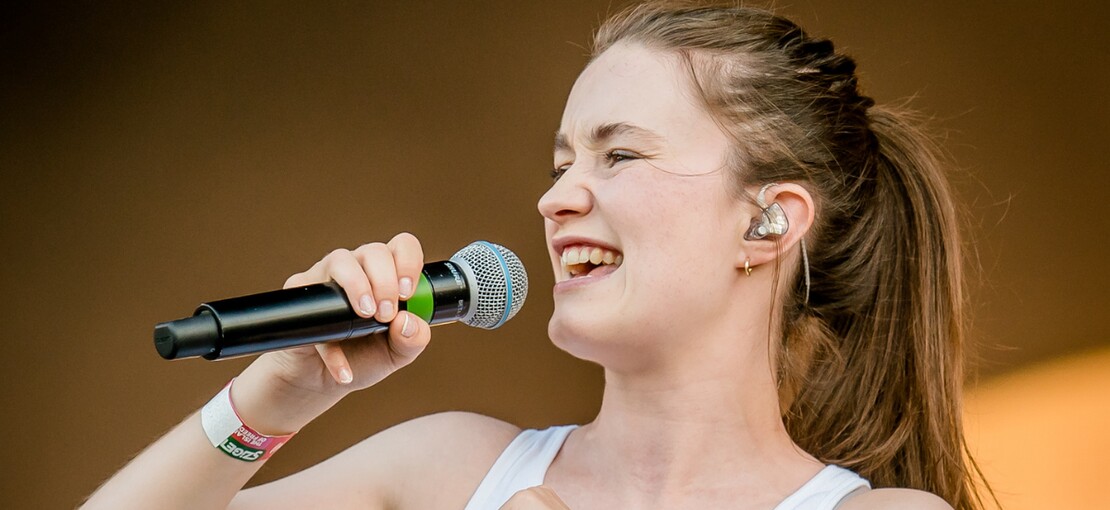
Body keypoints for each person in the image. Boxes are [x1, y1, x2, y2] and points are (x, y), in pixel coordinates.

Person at [83, 2, 995, 509]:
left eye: (620, 153)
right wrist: (269, 398)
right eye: (561, 163)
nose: (555, 199)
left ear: (767, 222)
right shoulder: (447, 471)